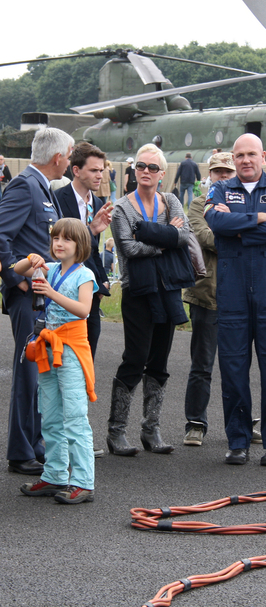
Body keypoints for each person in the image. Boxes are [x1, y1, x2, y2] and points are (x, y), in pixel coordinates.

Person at [204, 133, 266, 466]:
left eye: (251, 154)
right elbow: (214, 222)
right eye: (239, 155)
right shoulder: (219, 189)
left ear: (263, 156)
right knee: (232, 367)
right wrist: (257, 218)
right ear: (233, 158)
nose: (245, 160)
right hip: (232, 292)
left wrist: (236, 229)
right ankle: (238, 440)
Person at [108, 143, 194, 456]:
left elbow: (184, 236)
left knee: (159, 360)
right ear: (133, 170)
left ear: (163, 173)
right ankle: (116, 430)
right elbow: (128, 249)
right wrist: (163, 239)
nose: (146, 172)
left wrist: (147, 232)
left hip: (167, 289)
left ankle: (150, 428)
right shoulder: (121, 208)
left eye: (153, 168)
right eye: (141, 166)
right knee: (135, 357)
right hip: (138, 291)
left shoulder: (171, 200)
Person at [0, 127, 74, 475]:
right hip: (28, 299)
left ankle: (36, 443)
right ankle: (20, 452)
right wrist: (17, 280)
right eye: (69, 156)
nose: (69, 161)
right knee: (28, 374)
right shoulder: (24, 186)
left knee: (42, 373)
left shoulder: (43, 189)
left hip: (43, 300)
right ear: (57, 158)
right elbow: (2, 235)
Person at [14, 218, 98, 504]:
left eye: (66, 239)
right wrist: (30, 259)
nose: (58, 244)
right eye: (55, 238)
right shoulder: (48, 268)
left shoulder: (84, 274)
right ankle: (54, 474)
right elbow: (17, 270)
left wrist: (51, 293)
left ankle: (83, 481)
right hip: (48, 348)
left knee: (74, 416)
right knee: (49, 414)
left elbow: (84, 310)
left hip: (71, 348)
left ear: (80, 244)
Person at [182, 153, 236, 446]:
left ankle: (241, 421)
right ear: (210, 175)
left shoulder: (244, 201)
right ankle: (195, 423)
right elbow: (208, 239)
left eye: (228, 172)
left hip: (239, 297)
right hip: (206, 294)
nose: (223, 177)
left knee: (238, 365)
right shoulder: (198, 204)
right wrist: (238, 229)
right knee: (202, 364)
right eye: (218, 172)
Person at [55, 142, 112, 360]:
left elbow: (93, 248)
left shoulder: (97, 202)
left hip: (89, 291)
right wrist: (89, 230)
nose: (100, 175)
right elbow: (59, 247)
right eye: (94, 170)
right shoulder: (58, 199)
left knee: (88, 357)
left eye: (101, 170)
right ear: (76, 170)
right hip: (64, 290)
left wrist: (103, 279)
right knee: (66, 360)